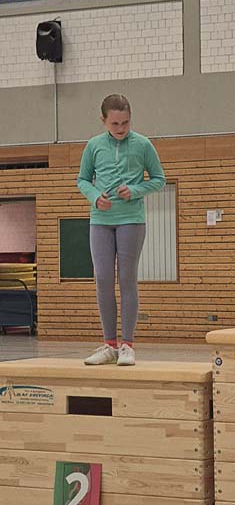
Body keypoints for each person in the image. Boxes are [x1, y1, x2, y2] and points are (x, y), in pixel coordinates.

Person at [77, 94, 165, 366]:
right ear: (103, 120)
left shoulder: (143, 144)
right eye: (115, 123)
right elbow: (83, 180)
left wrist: (135, 190)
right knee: (103, 279)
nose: (121, 128)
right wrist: (95, 197)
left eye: (125, 123)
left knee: (126, 279)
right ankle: (109, 345)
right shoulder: (93, 146)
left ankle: (127, 345)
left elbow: (159, 179)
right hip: (100, 221)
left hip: (131, 220)